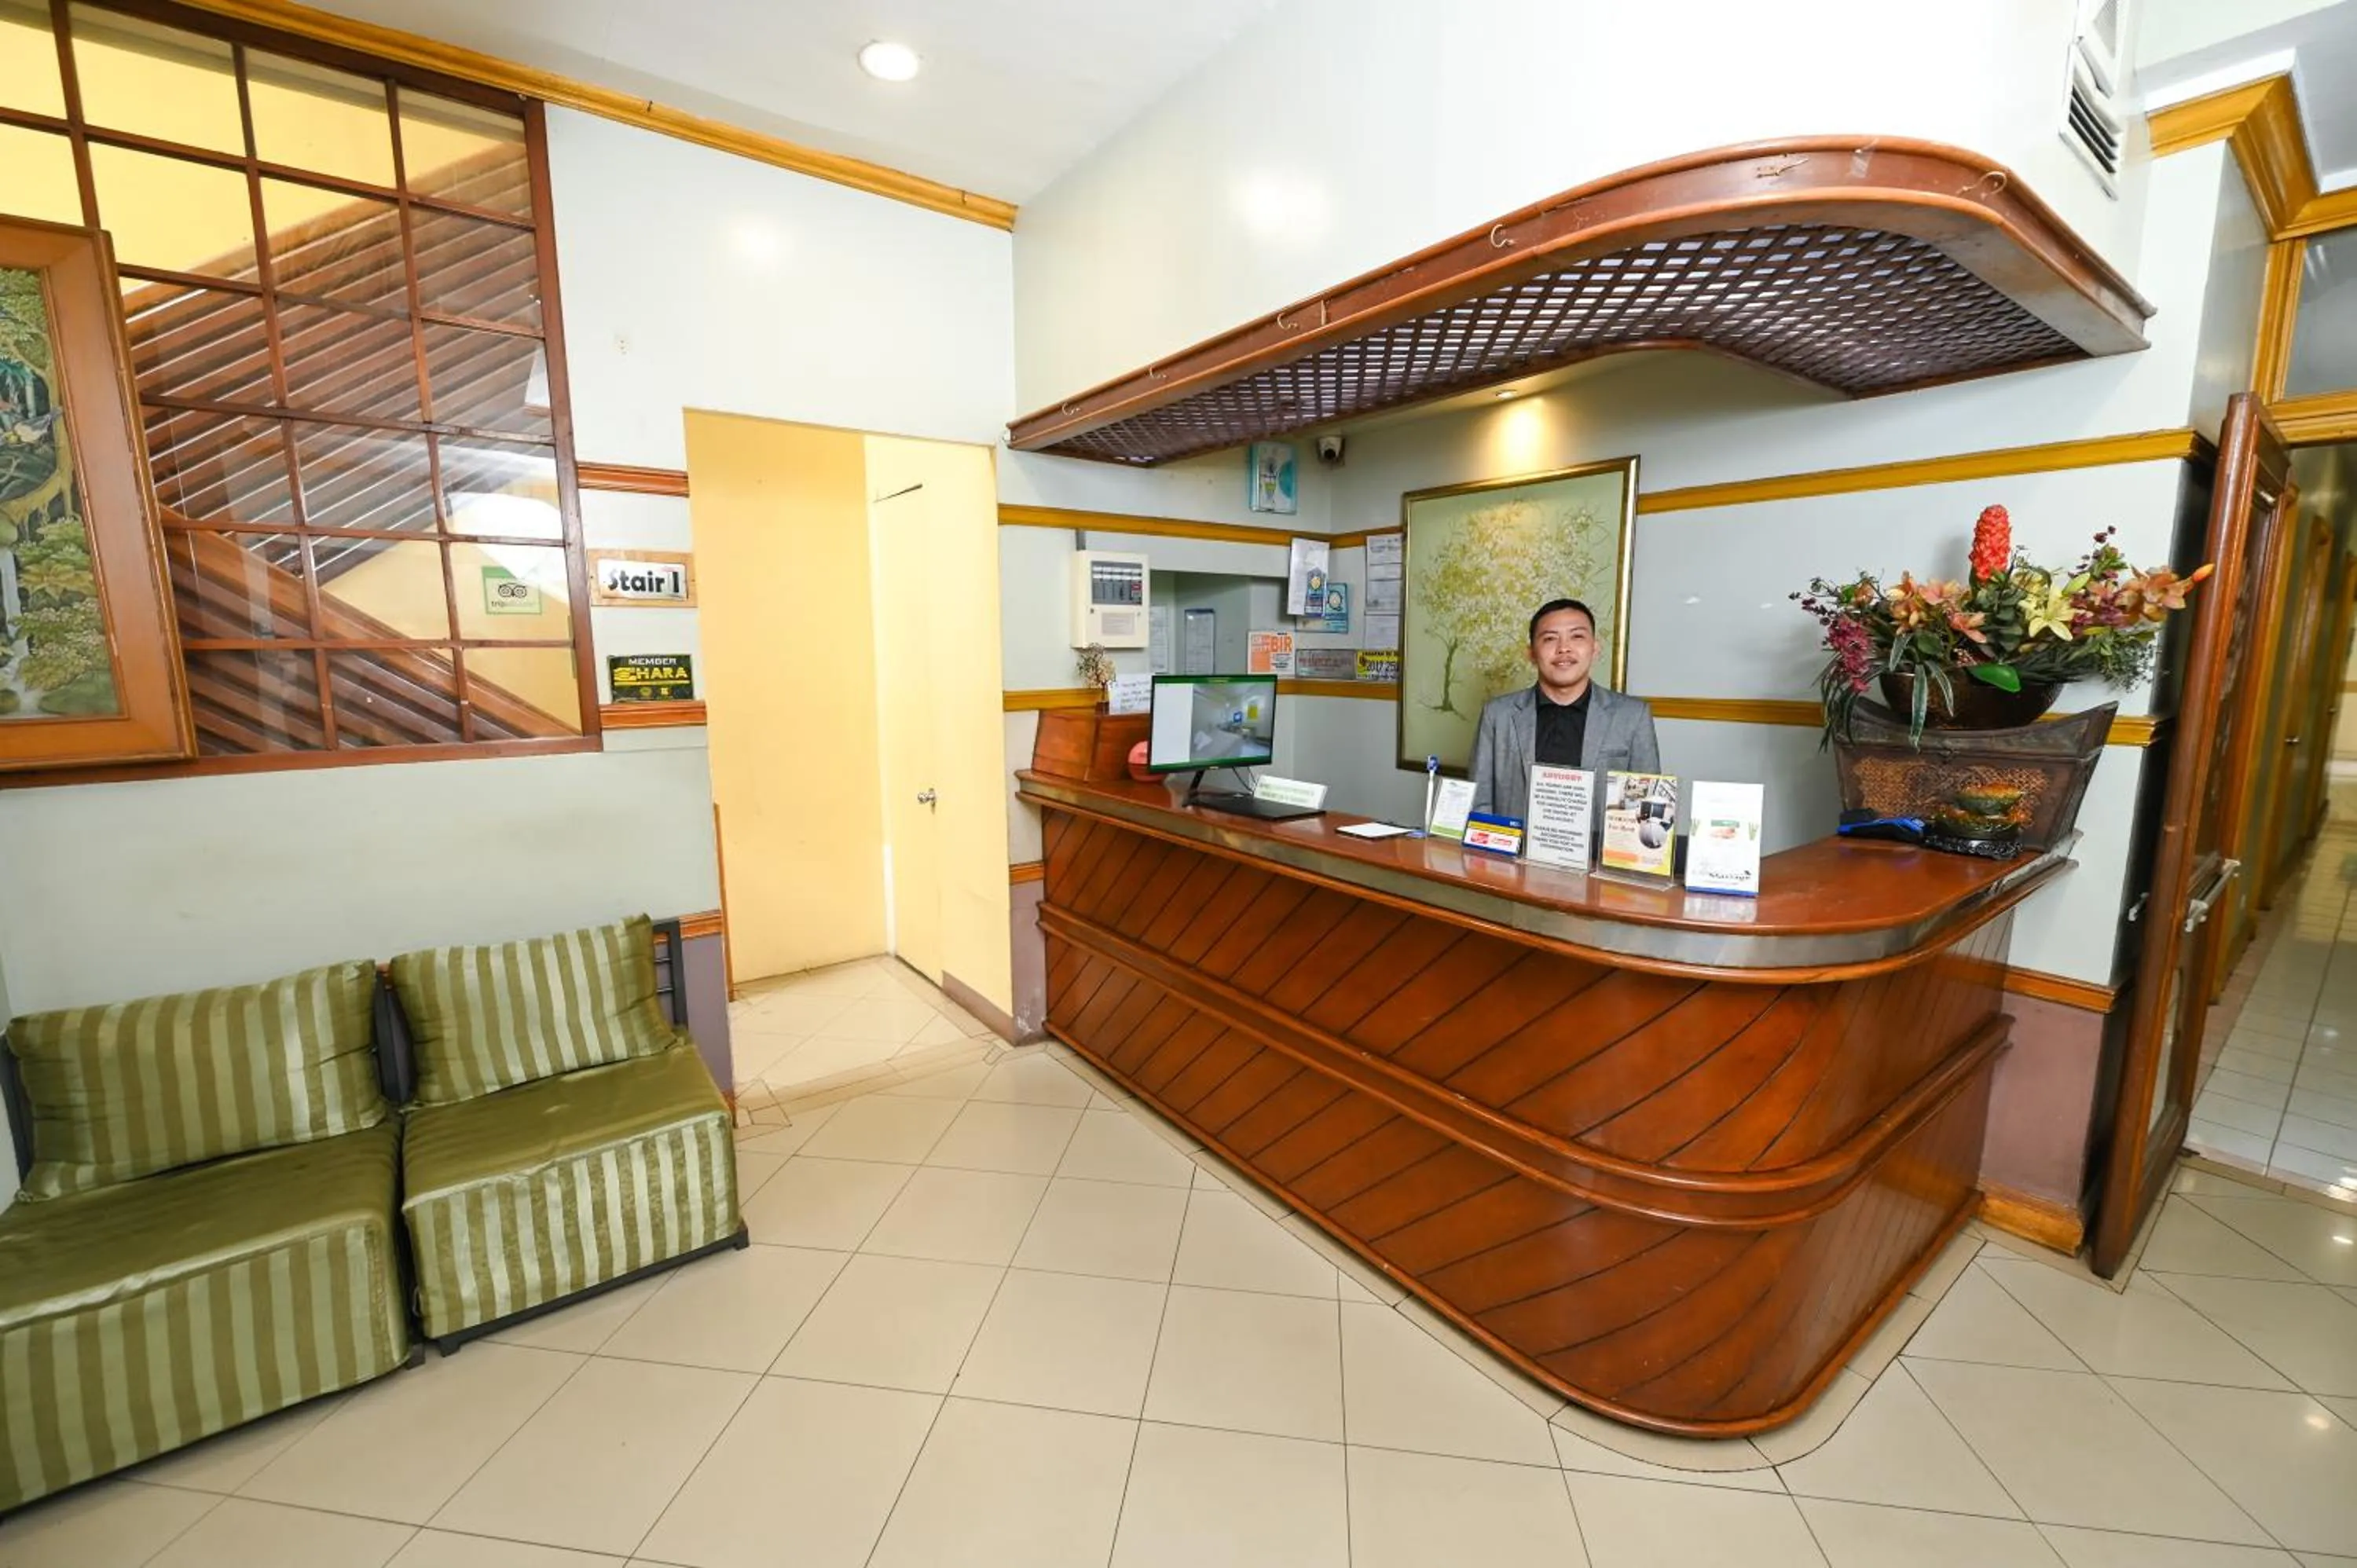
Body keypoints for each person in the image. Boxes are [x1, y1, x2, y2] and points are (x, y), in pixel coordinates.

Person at [1468, 598, 1661, 819]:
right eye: (1550, 639)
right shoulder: (1497, 715)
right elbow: (1479, 800)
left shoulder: (1633, 716)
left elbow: (1648, 806)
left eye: (1577, 636)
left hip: (1596, 852)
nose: (1564, 648)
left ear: (1595, 648)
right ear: (1531, 653)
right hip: (1512, 852)